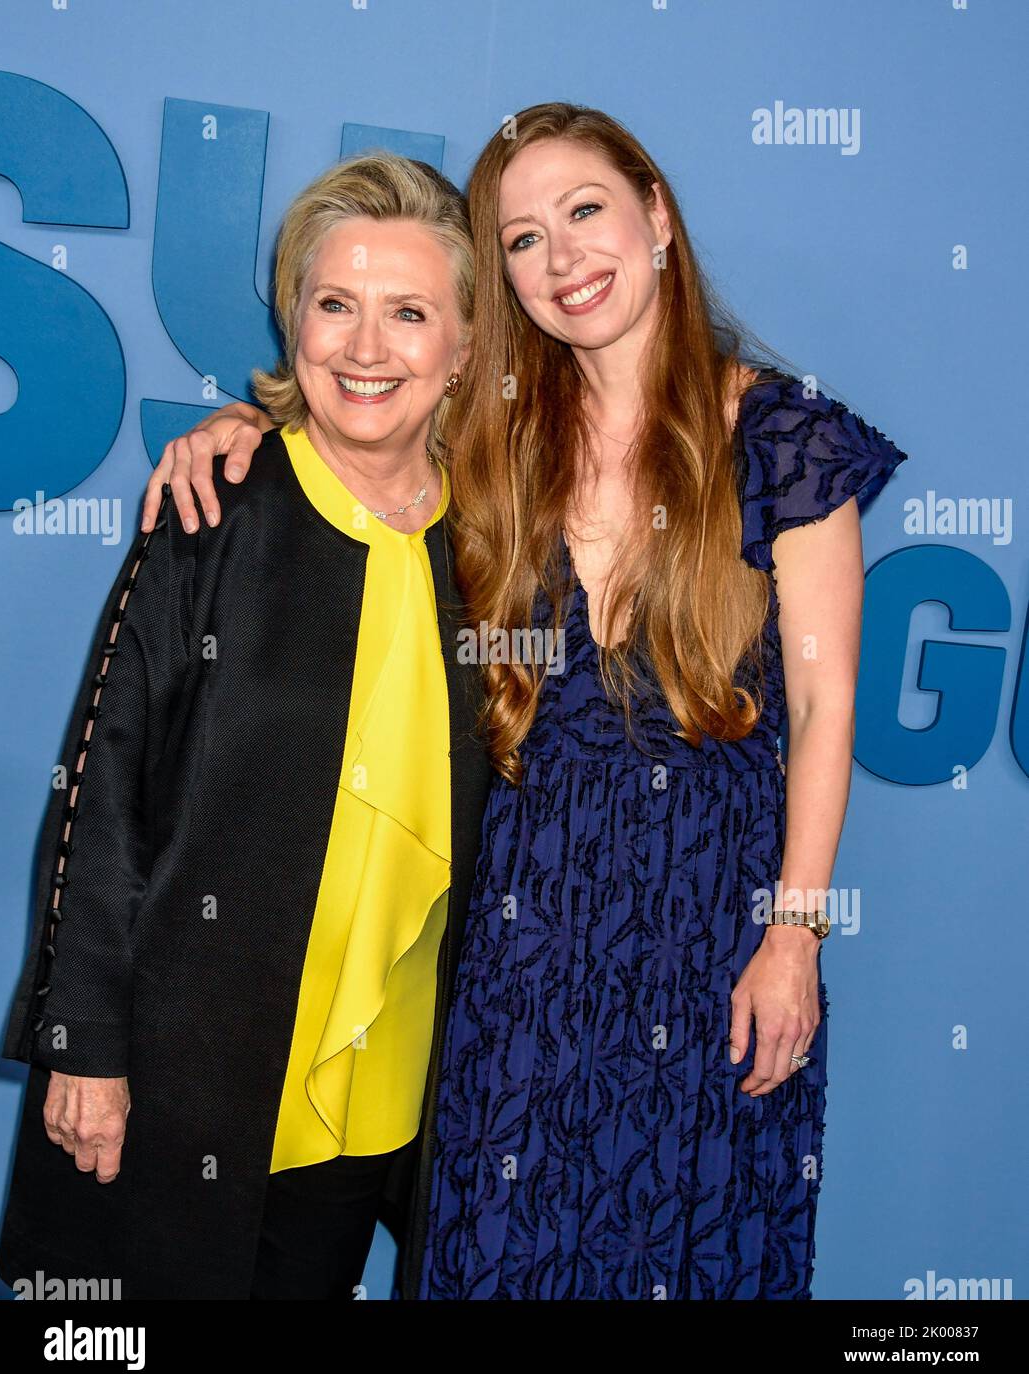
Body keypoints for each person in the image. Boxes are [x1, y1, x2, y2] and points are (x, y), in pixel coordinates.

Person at [139, 103, 908, 1299]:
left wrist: (793, 936)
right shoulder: (494, 437)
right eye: (523, 240)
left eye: (586, 213)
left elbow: (827, 704)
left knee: (691, 1250)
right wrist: (246, 423)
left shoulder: (784, 441)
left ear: (655, 215)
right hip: (519, 958)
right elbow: (359, 411)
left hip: (711, 948)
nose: (564, 260)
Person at [0, 151, 492, 1300]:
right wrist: (85, 1046)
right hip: (178, 1083)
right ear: (294, 324)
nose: (366, 348)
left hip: (375, 1108)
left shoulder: (500, 557)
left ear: (464, 349)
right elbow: (102, 791)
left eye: (408, 313)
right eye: (335, 305)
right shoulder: (210, 506)